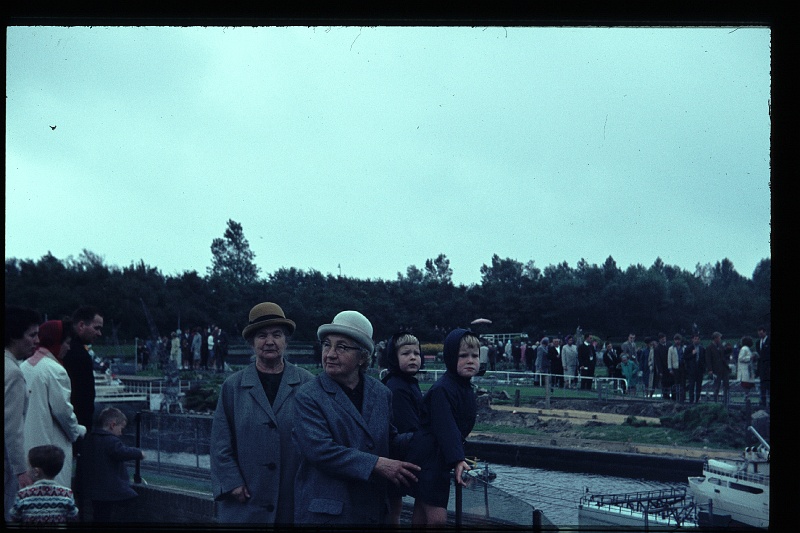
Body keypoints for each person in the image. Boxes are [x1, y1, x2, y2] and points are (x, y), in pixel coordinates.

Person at [292, 310, 419, 526]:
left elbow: (389, 441)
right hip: (328, 517)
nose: (330, 354)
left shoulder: (381, 393)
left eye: (341, 347)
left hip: (373, 513)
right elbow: (321, 451)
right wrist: (378, 464)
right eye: (326, 345)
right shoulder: (308, 396)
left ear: (362, 357)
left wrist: (428, 437)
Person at [211, 302, 314, 525]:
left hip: (292, 502)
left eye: (277, 335)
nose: (269, 342)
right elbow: (220, 442)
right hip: (245, 502)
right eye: (261, 336)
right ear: (251, 342)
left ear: (286, 340)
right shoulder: (232, 386)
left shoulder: (308, 384)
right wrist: (231, 483)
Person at [407, 328, 479, 526]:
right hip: (430, 457)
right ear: (450, 358)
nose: (470, 360)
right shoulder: (443, 389)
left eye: (475, 355)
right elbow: (445, 426)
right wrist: (457, 458)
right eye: (463, 356)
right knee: (437, 518)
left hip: (437, 455)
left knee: (423, 509)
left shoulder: (463, 386)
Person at [21, 320, 87, 488]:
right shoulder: (55, 370)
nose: (68, 348)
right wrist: (77, 431)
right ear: (56, 342)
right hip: (52, 450)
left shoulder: (23, 366)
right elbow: (63, 411)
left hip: (25, 448)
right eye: (66, 343)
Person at [380, 331, 424, 525]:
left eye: (416, 353)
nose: (413, 357)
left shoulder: (407, 383)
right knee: (394, 510)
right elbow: (407, 424)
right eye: (406, 353)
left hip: (403, 450)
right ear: (394, 357)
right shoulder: (397, 387)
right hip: (397, 454)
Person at [4, 306, 41, 522]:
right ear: (14, 336)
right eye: (32, 335)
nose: (37, 340)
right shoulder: (14, 374)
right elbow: (11, 429)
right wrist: (20, 471)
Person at [78, 407, 144, 523]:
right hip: (108, 489)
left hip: (93, 489)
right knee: (132, 501)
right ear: (112, 425)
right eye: (121, 428)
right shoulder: (111, 441)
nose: (121, 433)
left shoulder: (89, 439)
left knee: (99, 515)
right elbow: (122, 452)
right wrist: (139, 453)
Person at [9, 445, 78, 525]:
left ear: (36, 472)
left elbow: (14, 516)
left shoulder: (23, 494)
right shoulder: (66, 493)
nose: (27, 470)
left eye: (28, 466)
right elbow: (73, 516)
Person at [62, 305, 103, 430]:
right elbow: (83, 397)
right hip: (77, 425)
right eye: (96, 328)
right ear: (81, 325)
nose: (99, 333)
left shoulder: (68, 350)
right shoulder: (79, 354)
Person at [705, 332, 730, 404]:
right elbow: (708, 359)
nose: (720, 339)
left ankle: (726, 401)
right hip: (716, 369)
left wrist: (728, 350)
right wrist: (710, 369)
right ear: (715, 338)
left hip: (723, 368)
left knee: (726, 384)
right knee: (717, 386)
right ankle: (716, 401)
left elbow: (724, 355)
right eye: (719, 337)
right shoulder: (709, 347)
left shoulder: (721, 346)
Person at [684, 334, 706, 403]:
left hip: (699, 370)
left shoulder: (702, 348)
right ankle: (691, 400)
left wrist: (704, 368)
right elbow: (685, 357)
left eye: (698, 339)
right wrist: (692, 354)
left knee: (699, 386)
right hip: (692, 370)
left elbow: (704, 359)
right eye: (695, 339)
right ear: (692, 339)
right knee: (691, 386)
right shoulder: (688, 348)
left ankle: (697, 400)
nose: (697, 340)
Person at [667, 334, 686, 402]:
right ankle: (675, 397)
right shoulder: (671, 348)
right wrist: (670, 369)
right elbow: (669, 359)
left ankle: (682, 397)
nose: (677, 341)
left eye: (678, 340)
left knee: (683, 383)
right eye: (676, 340)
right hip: (675, 367)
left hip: (682, 367)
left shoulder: (684, 347)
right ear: (674, 340)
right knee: (675, 383)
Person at [654, 333, 672, 400]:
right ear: (659, 340)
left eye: (664, 338)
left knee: (671, 382)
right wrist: (660, 371)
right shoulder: (657, 349)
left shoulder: (669, 345)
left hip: (670, 367)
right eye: (662, 338)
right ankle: (666, 396)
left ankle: (673, 396)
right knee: (665, 383)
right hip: (663, 368)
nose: (664, 340)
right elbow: (658, 361)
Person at [756, 326, 770, 407]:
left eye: (761, 333)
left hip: (768, 367)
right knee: (763, 386)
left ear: (765, 332)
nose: (760, 335)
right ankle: (763, 402)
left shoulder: (769, 341)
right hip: (762, 368)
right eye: (759, 334)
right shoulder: (758, 343)